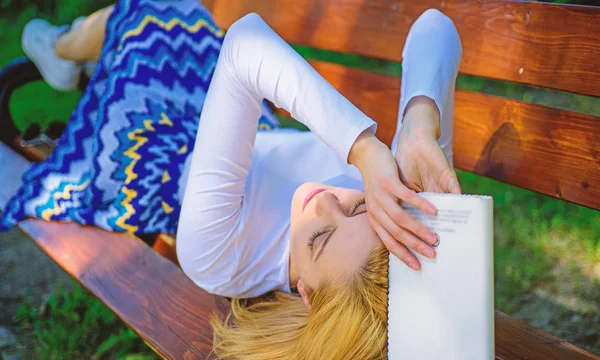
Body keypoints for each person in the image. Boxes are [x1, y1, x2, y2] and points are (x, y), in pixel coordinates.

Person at [7, 1, 462, 358]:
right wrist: (421, 123)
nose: (325, 202)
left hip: (153, 154)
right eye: (361, 207)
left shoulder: (220, 256)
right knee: (174, 12)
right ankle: (70, 56)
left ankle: (62, 49)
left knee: (148, 14)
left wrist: (362, 148)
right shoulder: (391, 194)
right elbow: (434, 26)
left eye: (319, 238)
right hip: (245, 123)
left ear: (303, 292)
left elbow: (245, 42)